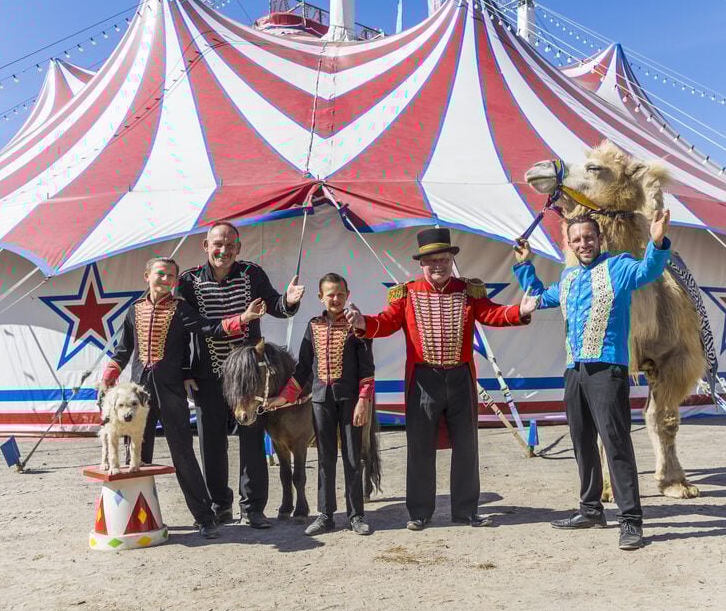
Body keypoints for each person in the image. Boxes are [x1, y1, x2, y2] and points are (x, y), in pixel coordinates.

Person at [345, 228, 539, 531]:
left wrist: (519, 311)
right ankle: (420, 512)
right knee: (419, 446)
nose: (438, 266)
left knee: (466, 445)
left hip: (461, 377)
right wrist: (362, 323)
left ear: (452, 260)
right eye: (432, 261)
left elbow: (492, 314)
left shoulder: (469, 291)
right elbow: (385, 323)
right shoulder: (406, 292)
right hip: (423, 378)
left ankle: (466, 511)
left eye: (444, 260)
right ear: (421, 263)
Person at [511, 210, 672, 550]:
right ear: (569, 244)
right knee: (581, 441)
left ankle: (630, 520)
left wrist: (656, 243)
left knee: (615, 443)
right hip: (574, 370)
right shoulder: (569, 278)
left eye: (589, 237)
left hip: (607, 369)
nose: (584, 243)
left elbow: (649, 271)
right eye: (577, 239)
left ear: (600, 239)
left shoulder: (619, 267)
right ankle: (590, 508)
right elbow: (538, 297)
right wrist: (525, 264)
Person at [99, 257, 267, 539]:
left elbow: (208, 327)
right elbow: (123, 350)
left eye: (171, 276)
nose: (165, 279)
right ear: (146, 276)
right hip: (138, 393)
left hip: (171, 391)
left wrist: (243, 319)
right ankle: (133, 520)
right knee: (135, 452)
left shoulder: (180, 309)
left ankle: (204, 517)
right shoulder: (134, 310)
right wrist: (108, 376)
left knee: (183, 454)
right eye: (160, 274)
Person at [176, 222, 306, 529]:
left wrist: (287, 301)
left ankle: (253, 508)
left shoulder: (252, 274)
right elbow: (190, 324)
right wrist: (240, 320)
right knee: (212, 442)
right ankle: (220, 506)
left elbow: (275, 306)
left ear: (239, 247)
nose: (223, 250)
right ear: (205, 247)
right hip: (208, 373)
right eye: (217, 244)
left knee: (251, 439)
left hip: (249, 377)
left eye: (230, 245)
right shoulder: (188, 280)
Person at [265, 273, 375, 537]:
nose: (335, 299)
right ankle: (326, 515)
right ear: (321, 297)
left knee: (351, 458)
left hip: (350, 400)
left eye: (339, 294)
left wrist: (363, 401)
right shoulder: (313, 326)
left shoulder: (357, 327)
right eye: (330, 294)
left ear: (347, 295)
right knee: (325, 459)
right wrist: (282, 398)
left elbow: (368, 370)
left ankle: (356, 515)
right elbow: (302, 369)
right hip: (321, 400)